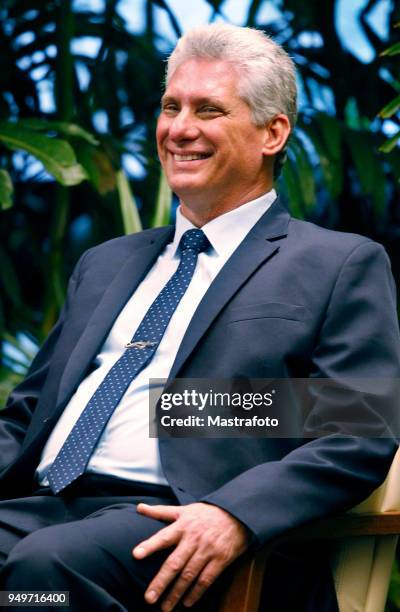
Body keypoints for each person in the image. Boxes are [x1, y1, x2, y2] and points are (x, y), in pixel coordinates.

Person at [0, 23, 399, 612]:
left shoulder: (336, 263)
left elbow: (357, 430)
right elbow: (28, 414)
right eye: (171, 107)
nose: (179, 128)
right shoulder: (107, 262)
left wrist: (234, 511)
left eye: (208, 110)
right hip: (45, 501)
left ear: (273, 133)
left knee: (39, 582)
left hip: (179, 520)